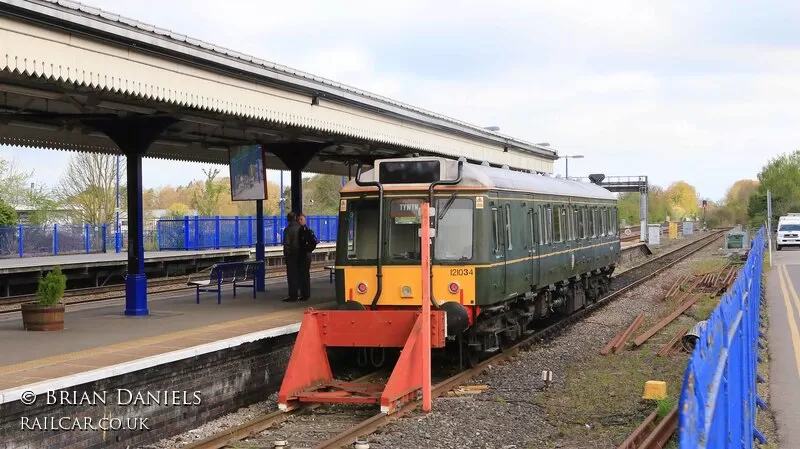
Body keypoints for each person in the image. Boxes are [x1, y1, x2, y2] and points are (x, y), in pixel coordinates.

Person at [296, 214, 318, 301]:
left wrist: (308, 250)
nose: (299, 221)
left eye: (301, 219)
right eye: (298, 219)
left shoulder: (307, 231)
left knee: (304, 275)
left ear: (305, 220)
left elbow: (314, 241)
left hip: (305, 255)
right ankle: (303, 293)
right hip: (302, 254)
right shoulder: (301, 230)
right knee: (303, 275)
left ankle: (305, 294)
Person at [282, 212, 302, 302]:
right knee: (301, 275)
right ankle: (303, 294)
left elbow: (286, 244)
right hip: (301, 254)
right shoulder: (301, 228)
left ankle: (293, 295)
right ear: (295, 218)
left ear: (288, 219)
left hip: (292, 256)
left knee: (292, 276)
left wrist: (286, 255)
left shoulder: (288, 230)